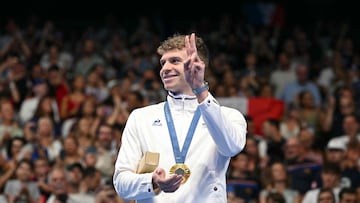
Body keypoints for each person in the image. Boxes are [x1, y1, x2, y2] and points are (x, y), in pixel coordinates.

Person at [113, 33, 247, 202]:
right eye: (163, 63)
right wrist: (152, 181)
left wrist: (200, 89)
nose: (165, 68)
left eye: (175, 61)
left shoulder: (228, 116)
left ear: (199, 65)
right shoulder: (141, 118)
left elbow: (231, 147)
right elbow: (121, 183)